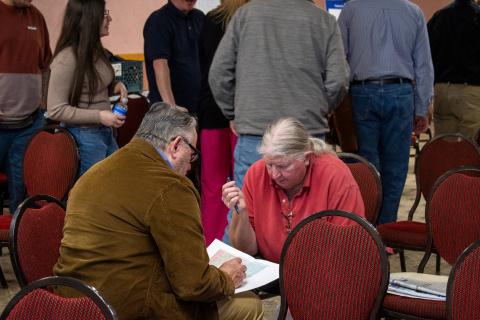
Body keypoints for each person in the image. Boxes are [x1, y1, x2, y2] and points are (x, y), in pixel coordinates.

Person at [53, 103, 264, 320]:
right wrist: (227, 278)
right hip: (124, 310)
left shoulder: (93, 173)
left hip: (70, 304)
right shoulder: (170, 185)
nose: (191, 166)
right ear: (176, 145)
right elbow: (193, 285)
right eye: (192, 154)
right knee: (250, 304)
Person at [209, 0, 349, 244]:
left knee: (242, 217)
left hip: (256, 133)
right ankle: (307, 278)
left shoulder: (245, 15)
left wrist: (234, 112)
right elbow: (338, 81)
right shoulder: (324, 20)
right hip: (306, 136)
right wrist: (316, 109)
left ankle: (234, 280)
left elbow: (219, 74)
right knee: (316, 224)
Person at [338, 0, 434, 225]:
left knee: (363, 167)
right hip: (401, 92)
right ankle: (386, 232)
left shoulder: (351, 9)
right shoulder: (413, 11)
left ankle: (363, 229)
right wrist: (422, 108)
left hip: (361, 91)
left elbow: (338, 56)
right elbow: (423, 66)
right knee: (396, 168)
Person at [222, 117, 365, 264]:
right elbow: (248, 250)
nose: (274, 174)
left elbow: (346, 248)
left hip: (324, 273)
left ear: (307, 158)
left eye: (283, 166)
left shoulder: (334, 175)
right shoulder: (257, 173)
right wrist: (241, 214)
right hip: (272, 271)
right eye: (269, 164)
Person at [47, 0, 128, 178]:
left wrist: (115, 85)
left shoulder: (97, 51)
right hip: (84, 136)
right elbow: (56, 109)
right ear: (90, 20)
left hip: (104, 133)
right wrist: (99, 115)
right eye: (104, 15)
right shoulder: (66, 59)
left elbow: (92, 85)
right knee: (91, 196)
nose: (110, 19)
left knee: (116, 183)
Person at [197, 0, 251, 246]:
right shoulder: (251, 18)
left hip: (211, 109)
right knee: (245, 187)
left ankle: (211, 250)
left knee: (212, 187)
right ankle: (243, 248)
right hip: (242, 112)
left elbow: (205, 66)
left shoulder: (210, 20)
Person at [0, 0, 52, 214]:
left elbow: (46, 65)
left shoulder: (36, 17)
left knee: (23, 194)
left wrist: (43, 101)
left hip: (30, 121)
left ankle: (18, 245)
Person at [427, 0, 480, 140]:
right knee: (473, 151)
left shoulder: (438, 17)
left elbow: (425, 54)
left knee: (446, 152)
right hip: (469, 91)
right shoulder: (476, 16)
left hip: (440, 91)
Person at [143, 0, 204, 114]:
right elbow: (160, 64)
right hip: (169, 111)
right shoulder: (159, 21)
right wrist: (171, 105)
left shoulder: (200, 17)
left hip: (198, 106)